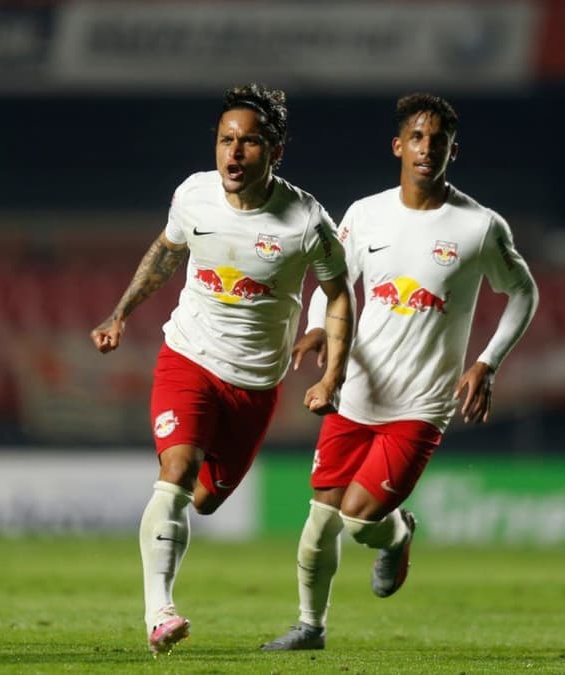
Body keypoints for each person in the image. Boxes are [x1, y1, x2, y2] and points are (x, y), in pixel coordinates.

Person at [260, 93, 539, 651]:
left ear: (453, 151)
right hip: (355, 389)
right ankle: (310, 628)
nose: (426, 148)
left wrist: (487, 362)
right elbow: (334, 282)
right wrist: (316, 327)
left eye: (438, 140)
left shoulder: (479, 226)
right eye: (416, 137)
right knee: (319, 521)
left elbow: (523, 293)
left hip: (420, 404)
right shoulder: (366, 214)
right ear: (398, 146)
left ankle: (396, 535)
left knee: (360, 519)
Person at [90, 84, 354, 657]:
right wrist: (120, 313)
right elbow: (165, 254)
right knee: (177, 470)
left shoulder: (306, 220)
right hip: (188, 356)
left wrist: (331, 375)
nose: (233, 152)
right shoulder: (194, 196)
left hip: (254, 384)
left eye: (249, 142)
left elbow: (339, 294)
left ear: (275, 151)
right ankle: (159, 613)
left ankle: (168, 558)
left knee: (204, 499)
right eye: (225, 140)